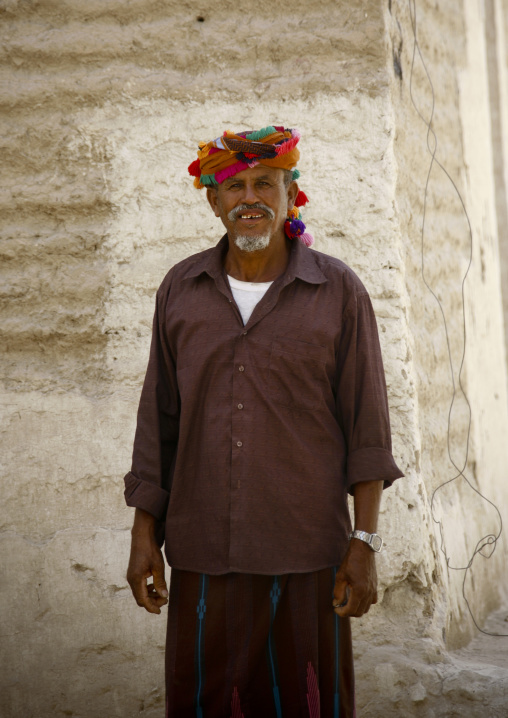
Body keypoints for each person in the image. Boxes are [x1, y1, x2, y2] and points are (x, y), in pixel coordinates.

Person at [124, 126, 403, 718]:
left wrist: (365, 542)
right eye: (234, 186)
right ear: (213, 201)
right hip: (202, 555)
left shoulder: (337, 291)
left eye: (265, 183)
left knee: (304, 703)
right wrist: (144, 534)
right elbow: (159, 421)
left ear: (289, 196)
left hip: (306, 555)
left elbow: (368, 430)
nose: (249, 197)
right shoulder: (181, 288)